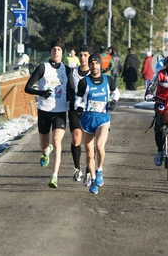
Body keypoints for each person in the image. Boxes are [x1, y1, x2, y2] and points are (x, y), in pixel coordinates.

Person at [24, 37, 72, 188]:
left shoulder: (67, 70)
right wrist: (41, 92)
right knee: (44, 145)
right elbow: (27, 87)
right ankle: (46, 151)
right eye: (54, 49)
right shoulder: (42, 68)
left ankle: (54, 176)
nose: (56, 52)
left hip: (59, 112)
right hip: (44, 111)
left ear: (62, 53)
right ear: (50, 51)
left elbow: (72, 89)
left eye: (59, 50)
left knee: (57, 141)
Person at [75, 53, 121, 194]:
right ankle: (94, 180)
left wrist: (113, 102)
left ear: (101, 64)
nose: (94, 66)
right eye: (92, 63)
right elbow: (78, 99)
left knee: (99, 146)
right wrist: (79, 107)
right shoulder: (84, 82)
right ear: (89, 65)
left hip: (102, 119)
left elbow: (116, 93)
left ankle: (99, 170)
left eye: (96, 63)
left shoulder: (108, 80)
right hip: (87, 119)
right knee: (89, 155)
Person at [67, 45, 93, 186]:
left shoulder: (94, 74)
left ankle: (90, 171)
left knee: (89, 143)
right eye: (81, 55)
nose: (83, 58)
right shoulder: (72, 73)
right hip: (74, 110)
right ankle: (77, 168)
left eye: (85, 55)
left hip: (91, 111)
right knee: (76, 138)